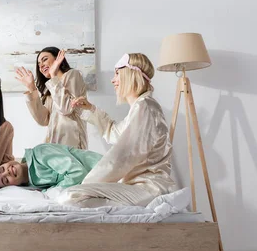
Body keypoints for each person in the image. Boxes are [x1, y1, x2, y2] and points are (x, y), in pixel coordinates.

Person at [64, 53, 177, 208]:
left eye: (117, 73)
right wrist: (91, 109)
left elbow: (123, 155)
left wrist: (88, 183)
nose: (113, 80)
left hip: (148, 188)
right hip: (138, 187)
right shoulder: (141, 106)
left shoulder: (146, 107)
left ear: (131, 75)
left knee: (72, 196)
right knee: (75, 194)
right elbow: (116, 134)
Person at [15, 47, 88, 149]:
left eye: (44, 59)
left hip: (72, 146)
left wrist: (54, 74)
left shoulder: (73, 75)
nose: (41, 65)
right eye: (39, 64)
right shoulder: (50, 88)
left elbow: (66, 109)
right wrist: (31, 88)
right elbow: (43, 120)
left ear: (57, 58)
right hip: (54, 146)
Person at [0, 143, 102, 190]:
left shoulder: (40, 153)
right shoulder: (33, 186)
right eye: (5, 180)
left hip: (103, 168)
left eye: (2, 169)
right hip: (97, 182)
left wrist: (51, 191)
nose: (7, 172)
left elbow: (77, 172)